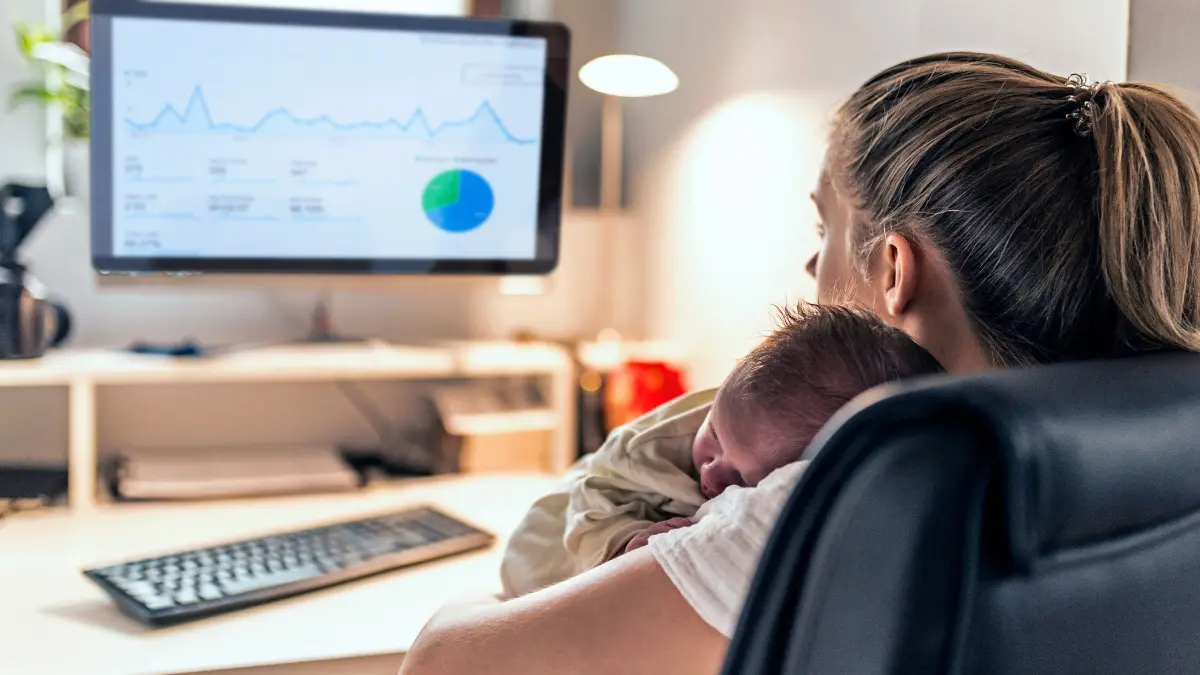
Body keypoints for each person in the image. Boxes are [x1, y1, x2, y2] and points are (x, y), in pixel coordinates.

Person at [399, 52, 1200, 675]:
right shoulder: (1125, 446)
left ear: (893, 270)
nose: (810, 270)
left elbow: (442, 662)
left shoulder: (844, 496)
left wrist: (499, 589)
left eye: (824, 229)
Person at [500, 302, 944, 598]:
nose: (712, 474)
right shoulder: (651, 447)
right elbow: (595, 493)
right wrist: (621, 544)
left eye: (739, 479)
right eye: (712, 440)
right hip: (559, 527)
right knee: (534, 572)